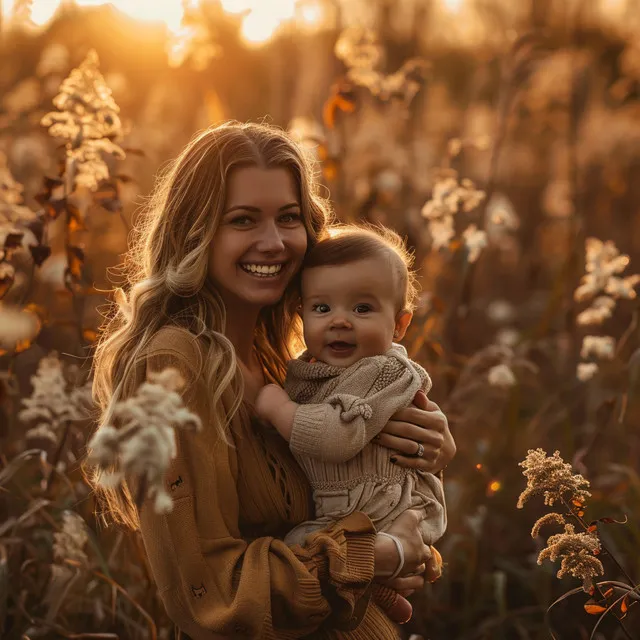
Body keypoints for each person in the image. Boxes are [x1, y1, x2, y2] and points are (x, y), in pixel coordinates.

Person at [89, 121, 456, 640]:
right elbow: (214, 595)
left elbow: (358, 498)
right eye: (242, 220)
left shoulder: (293, 358)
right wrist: (373, 555)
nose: (273, 242)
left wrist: (429, 452)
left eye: (288, 218)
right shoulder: (177, 365)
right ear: (196, 233)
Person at [254, 225, 447, 625]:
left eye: (362, 309)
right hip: (349, 506)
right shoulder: (316, 370)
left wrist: (278, 411)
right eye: (322, 308)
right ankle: (381, 594)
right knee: (308, 554)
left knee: (301, 550)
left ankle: (389, 572)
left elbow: (337, 437)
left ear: (399, 325)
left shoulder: (383, 370)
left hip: (384, 506)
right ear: (300, 313)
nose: (340, 321)